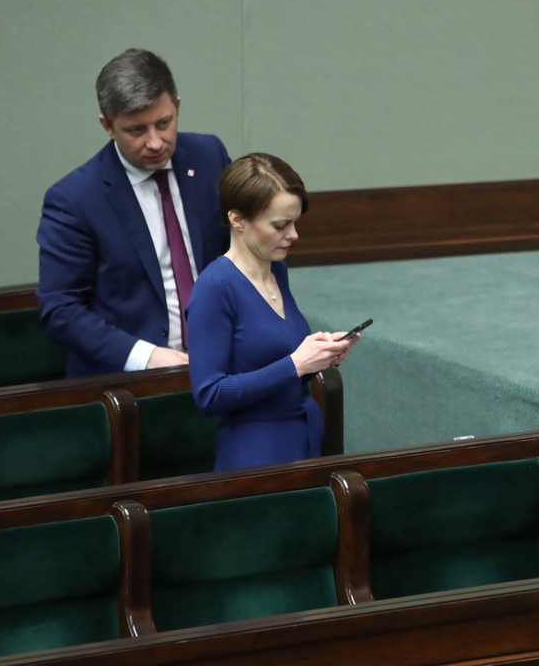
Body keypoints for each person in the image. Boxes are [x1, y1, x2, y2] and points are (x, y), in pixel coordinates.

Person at [37, 48, 232, 376]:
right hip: (129, 381)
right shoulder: (74, 200)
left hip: (220, 362)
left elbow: (241, 249)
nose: (156, 142)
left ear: (178, 107)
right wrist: (146, 357)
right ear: (108, 126)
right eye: (137, 130)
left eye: (164, 123)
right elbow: (60, 310)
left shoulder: (209, 156)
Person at [186, 153, 357, 470]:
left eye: (295, 222)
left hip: (304, 435)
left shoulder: (276, 269)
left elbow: (274, 352)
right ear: (238, 219)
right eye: (280, 225)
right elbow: (209, 394)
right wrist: (295, 364)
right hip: (256, 455)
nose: (293, 235)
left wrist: (320, 352)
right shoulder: (215, 288)